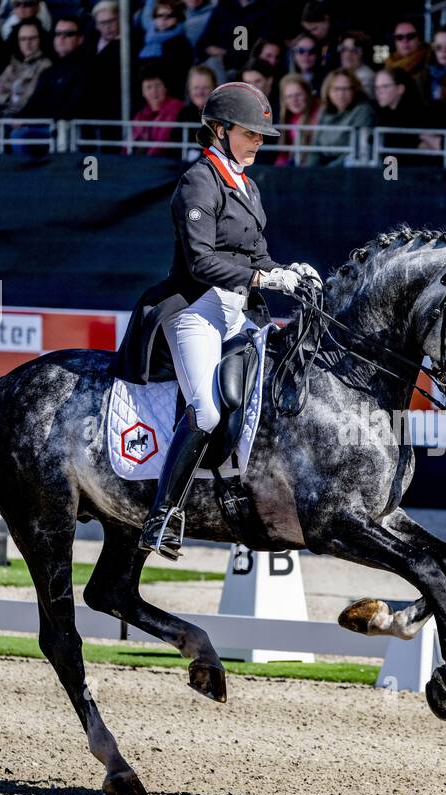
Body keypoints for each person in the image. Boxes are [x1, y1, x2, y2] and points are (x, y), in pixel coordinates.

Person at [112, 82, 321, 559]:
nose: (259, 142)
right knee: (206, 409)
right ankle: (162, 516)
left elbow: (258, 254)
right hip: (195, 307)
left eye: (262, 136)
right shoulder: (198, 181)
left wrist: (287, 271)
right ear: (221, 130)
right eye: (251, 133)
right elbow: (201, 262)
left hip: (238, 309)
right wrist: (267, 280)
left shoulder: (247, 185)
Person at [0, 19, 50, 117]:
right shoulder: (14, 64)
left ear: (40, 39)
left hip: (25, 120)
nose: (27, 43)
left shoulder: (46, 66)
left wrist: (5, 93)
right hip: (3, 117)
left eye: (32, 38)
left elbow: (27, 101)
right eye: (23, 39)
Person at [313, 65, 372, 165]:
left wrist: (325, 173)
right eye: (336, 89)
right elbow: (314, 149)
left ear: (354, 90)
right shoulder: (324, 111)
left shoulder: (363, 111)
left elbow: (357, 150)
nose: (341, 94)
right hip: (322, 168)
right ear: (328, 91)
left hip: (348, 170)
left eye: (346, 89)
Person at [130, 62, 182, 155]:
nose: (154, 91)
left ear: (165, 88)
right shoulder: (140, 115)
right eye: (148, 87)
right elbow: (127, 146)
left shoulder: (175, 107)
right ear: (143, 92)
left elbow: (162, 142)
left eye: (158, 85)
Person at [274, 71, 320, 166]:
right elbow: (284, 155)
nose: (294, 100)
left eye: (298, 95)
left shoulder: (319, 113)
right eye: (289, 96)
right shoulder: (287, 117)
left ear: (307, 94)